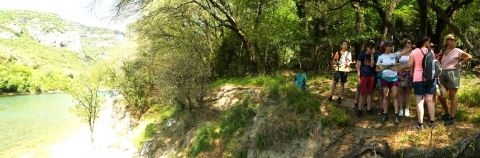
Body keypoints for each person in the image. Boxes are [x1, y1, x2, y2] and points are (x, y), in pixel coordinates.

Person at [400, 36, 437, 129]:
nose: (429, 43)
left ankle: (420, 124)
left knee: (419, 101)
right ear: (425, 42)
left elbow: (409, 65)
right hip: (430, 78)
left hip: (418, 78)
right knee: (429, 100)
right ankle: (432, 123)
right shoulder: (431, 51)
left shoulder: (414, 52)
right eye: (428, 41)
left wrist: (401, 67)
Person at [438, 34, 473, 125]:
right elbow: (439, 62)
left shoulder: (457, 50)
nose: (453, 41)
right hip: (442, 73)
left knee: (452, 95)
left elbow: (469, 57)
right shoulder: (442, 51)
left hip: (453, 73)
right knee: (441, 95)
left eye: (454, 40)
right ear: (446, 41)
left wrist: (461, 63)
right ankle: (447, 113)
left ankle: (451, 117)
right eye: (451, 39)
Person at [376, 41, 400, 123]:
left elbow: (397, 67)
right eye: (388, 46)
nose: (390, 47)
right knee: (385, 96)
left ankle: (396, 115)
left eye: (391, 46)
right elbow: (377, 69)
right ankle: (385, 114)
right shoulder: (381, 57)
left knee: (395, 96)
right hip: (385, 78)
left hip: (394, 78)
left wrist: (396, 67)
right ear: (384, 47)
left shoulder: (394, 55)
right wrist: (383, 68)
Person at [355, 40, 377, 116]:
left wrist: (372, 55)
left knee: (370, 93)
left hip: (371, 76)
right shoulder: (362, 54)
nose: (371, 48)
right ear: (367, 47)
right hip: (363, 75)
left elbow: (372, 65)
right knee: (362, 93)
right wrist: (358, 77)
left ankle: (369, 109)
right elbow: (358, 66)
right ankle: (359, 109)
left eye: (372, 47)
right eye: (370, 46)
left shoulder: (373, 55)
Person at [329, 40, 352, 104]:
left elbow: (350, 61)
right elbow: (334, 61)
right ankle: (331, 95)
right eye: (344, 44)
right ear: (341, 45)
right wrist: (336, 63)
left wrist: (348, 63)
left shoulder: (349, 53)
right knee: (334, 82)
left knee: (342, 83)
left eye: (346, 44)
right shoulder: (338, 52)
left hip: (345, 70)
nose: (345, 45)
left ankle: (339, 97)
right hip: (338, 69)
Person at [396, 38, 414, 117]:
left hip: (409, 74)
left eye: (410, 42)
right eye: (408, 42)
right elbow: (396, 62)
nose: (410, 43)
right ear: (404, 43)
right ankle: (400, 109)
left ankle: (406, 109)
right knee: (400, 91)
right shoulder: (400, 52)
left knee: (408, 92)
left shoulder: (413, 53)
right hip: (400, 74)